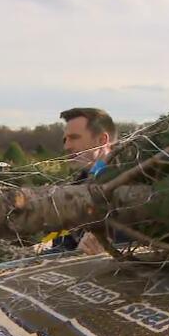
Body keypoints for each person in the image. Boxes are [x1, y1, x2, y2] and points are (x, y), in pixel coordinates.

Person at [37, 107, 117, 255]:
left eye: (74, 137)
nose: (66, 146)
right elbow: (60, 247)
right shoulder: (75, 188)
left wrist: (109, 253)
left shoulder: (135, 185)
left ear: (102, 140)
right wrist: (74, 256)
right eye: (65, 139)